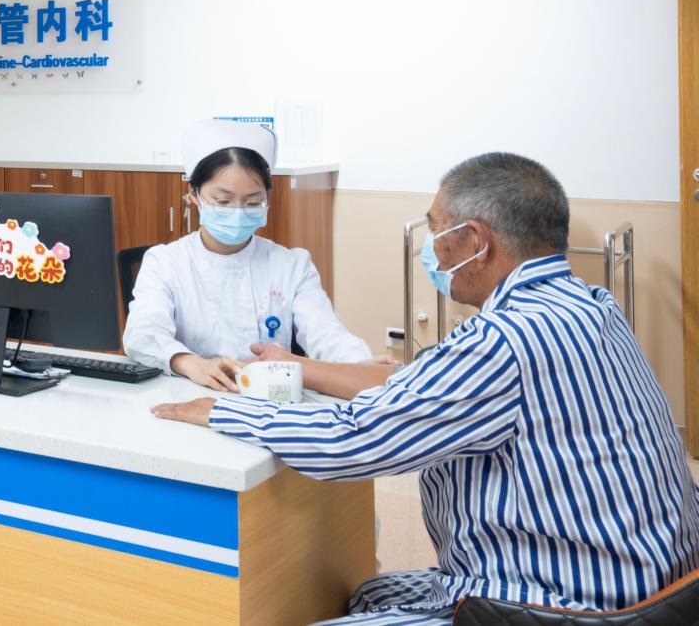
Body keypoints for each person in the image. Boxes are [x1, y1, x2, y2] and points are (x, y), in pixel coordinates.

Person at [152, 152, 699, 624]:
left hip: (567, 606)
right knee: (369, 593)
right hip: (652, 579)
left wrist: (222, 412)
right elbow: (426, 383)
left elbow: (352, 441)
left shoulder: (501, 340)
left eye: (437, 232)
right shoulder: (591, 303)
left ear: (475, 241)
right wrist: (302, 367)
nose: (431, 249)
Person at [124, 120, 373, 390]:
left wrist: (363, 368)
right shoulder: (165, 262)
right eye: (223, 201)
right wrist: (189, 362)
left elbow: (326, 333)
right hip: (191, 393)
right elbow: (143, 334)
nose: (238, 212)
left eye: (253, 202)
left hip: (271, 398)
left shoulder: (292, 265)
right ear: (194, 194)